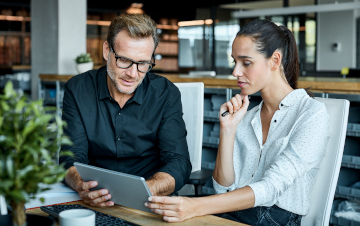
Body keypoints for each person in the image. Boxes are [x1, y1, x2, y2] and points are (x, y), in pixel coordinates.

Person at [145, 19, 330, 226]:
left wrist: (195, 206)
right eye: (235, 62)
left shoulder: (311, 114)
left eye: (246, 63)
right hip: (238, 213)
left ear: (275, 60)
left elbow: (270, 188)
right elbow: (222, 188)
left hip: (277, 219)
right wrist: (228, 130)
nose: (235, 72)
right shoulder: (247, 116)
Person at [59, 14, 192, 208]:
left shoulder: (166, 94)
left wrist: (146, 190)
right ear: (107, 51)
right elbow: (70, 157)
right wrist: (81, 184)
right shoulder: (78, 89)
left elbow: (178, 162)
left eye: (143, 63)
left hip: (149, 201)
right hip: (94, 199)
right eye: (124, 60)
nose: (132, 73)